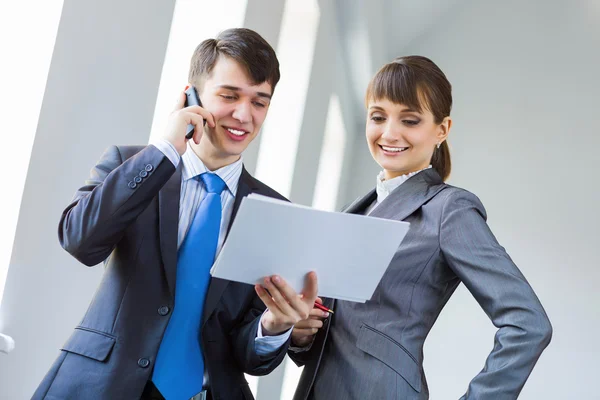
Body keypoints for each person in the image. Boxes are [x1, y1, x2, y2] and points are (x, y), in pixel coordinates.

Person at [33, 28, 318, 400]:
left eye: (259, 102)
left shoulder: (278, 215)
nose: (244, 114)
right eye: (229, 96)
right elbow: (80, 240)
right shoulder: (133, 165)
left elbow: (250, 357)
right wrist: (165, 148)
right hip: (101, 386)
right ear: (192, 96)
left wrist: (274, 325)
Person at [290, 55, 552, 400]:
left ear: (442, 130)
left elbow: (528, 324)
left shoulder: (449, 210)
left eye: (410, 120)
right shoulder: (356, 211)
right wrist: (301, 334)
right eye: (378, 117)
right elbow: (338, 329)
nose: (389, 133)